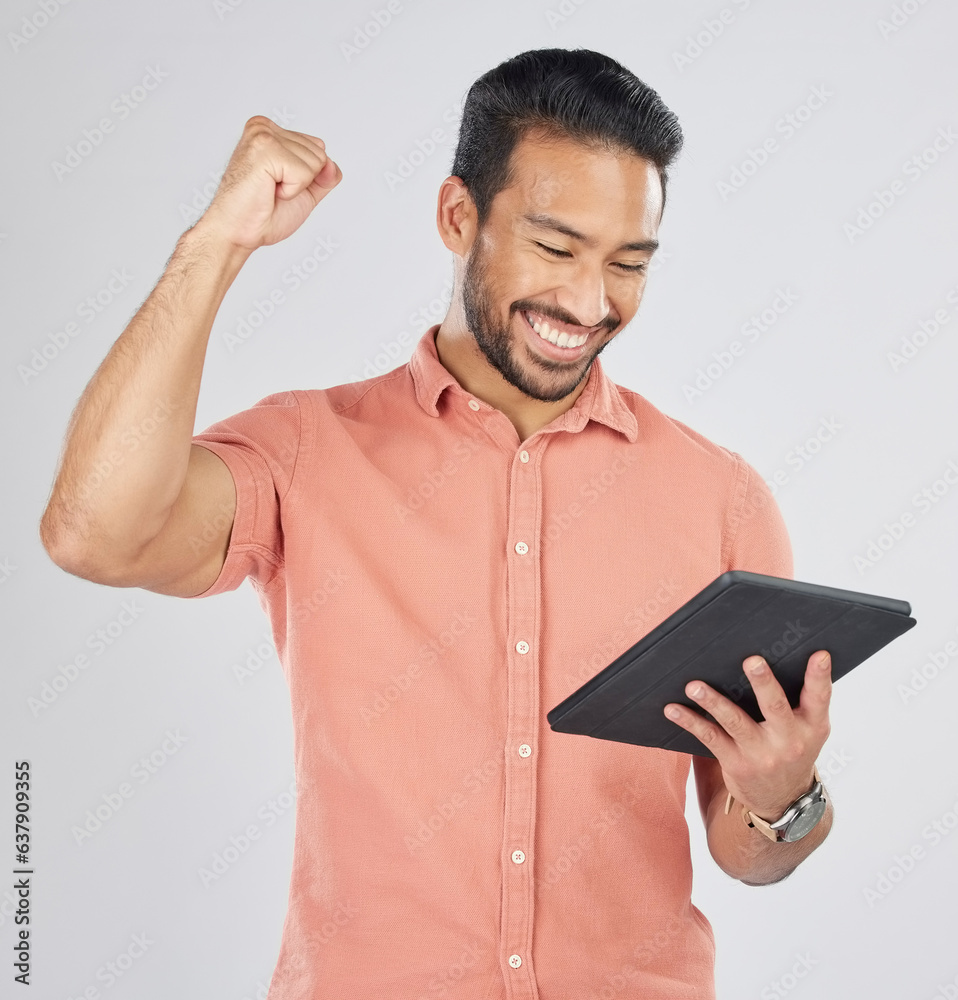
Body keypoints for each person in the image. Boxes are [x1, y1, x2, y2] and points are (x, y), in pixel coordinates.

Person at [40, 47, 834, 1000]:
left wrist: (786, 798)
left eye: (628, 263)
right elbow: (94, 533)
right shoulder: (308, 451)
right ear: (460, 217)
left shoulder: (723, 500)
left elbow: (744, 850)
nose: (590, 303)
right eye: (556, 248)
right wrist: (216, 243)